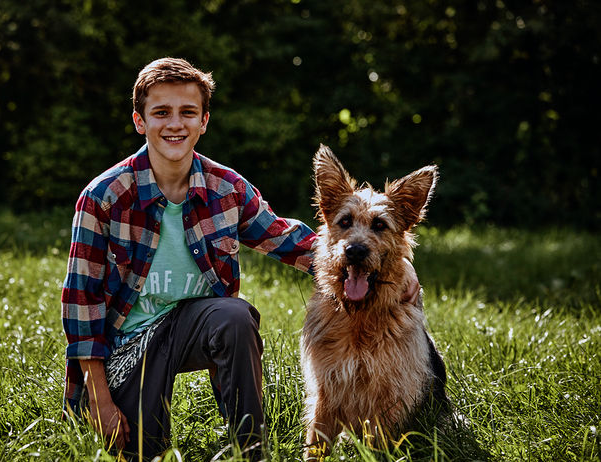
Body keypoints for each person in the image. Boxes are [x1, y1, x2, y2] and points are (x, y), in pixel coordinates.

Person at [60, 57, 418, 460]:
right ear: (140, 121)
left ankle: (251, 451)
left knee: (235, 315)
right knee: (145, 454)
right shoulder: (103, 197)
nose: (175, 124)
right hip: (128, 345)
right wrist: (100, 399)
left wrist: (394, 266)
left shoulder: (226, 188)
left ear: (204, 121)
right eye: (161, 112)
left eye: (187, 112)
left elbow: (284, 238)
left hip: (196, 326)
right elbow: (81, 305)